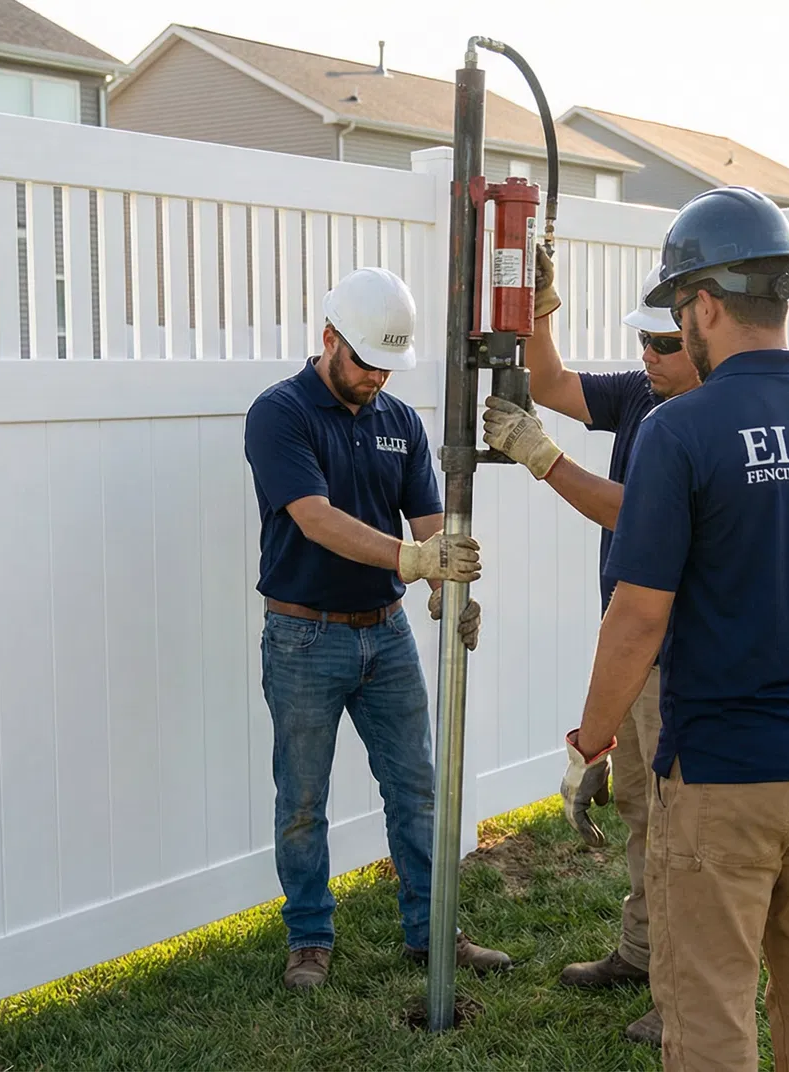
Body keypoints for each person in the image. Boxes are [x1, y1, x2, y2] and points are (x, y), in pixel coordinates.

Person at [559, 187, 789, 1071]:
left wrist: (592, 742)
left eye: (679, 312)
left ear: (706, 304)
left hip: (725, 779)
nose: (677, 330)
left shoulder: (682, 432)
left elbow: (638, 616)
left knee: (709, 1002)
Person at [243, 266, 514, 990]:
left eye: (388, 367)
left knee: (416, 790)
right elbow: (315, 518)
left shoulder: (398, 422)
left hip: (385, 634)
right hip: (304, 638)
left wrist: (445, 582)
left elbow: (430, 522)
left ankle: (432, 933)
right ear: (328, 338)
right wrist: (412, 556)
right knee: (302, 799)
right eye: (364, 363)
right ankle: (309, 940)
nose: (376, 379)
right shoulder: (280, 414)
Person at [480, 252, 700, 1046]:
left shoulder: (697, 425)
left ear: (702, 337)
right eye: (643, 341)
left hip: (679, 656)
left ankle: (682, 992)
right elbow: (551, 384)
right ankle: (642, 953)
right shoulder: (647, 394)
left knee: (680, 829)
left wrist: (543, 459)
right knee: (645, 808)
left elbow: (632, 516)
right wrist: (541, 306)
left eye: (664, 345)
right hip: (639, 652)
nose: (649, 356)